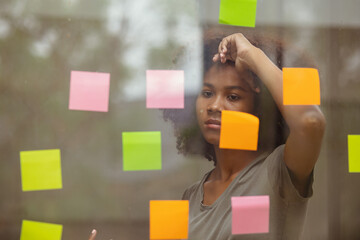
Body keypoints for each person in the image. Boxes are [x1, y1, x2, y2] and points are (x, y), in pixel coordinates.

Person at [89, 32, 325, 240]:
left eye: (233, 97)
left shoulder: (276, 174)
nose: (214, 106)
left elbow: (310, 122)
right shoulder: (191, 197)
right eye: (207, 92)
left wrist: (251, 54)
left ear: (258, 109)